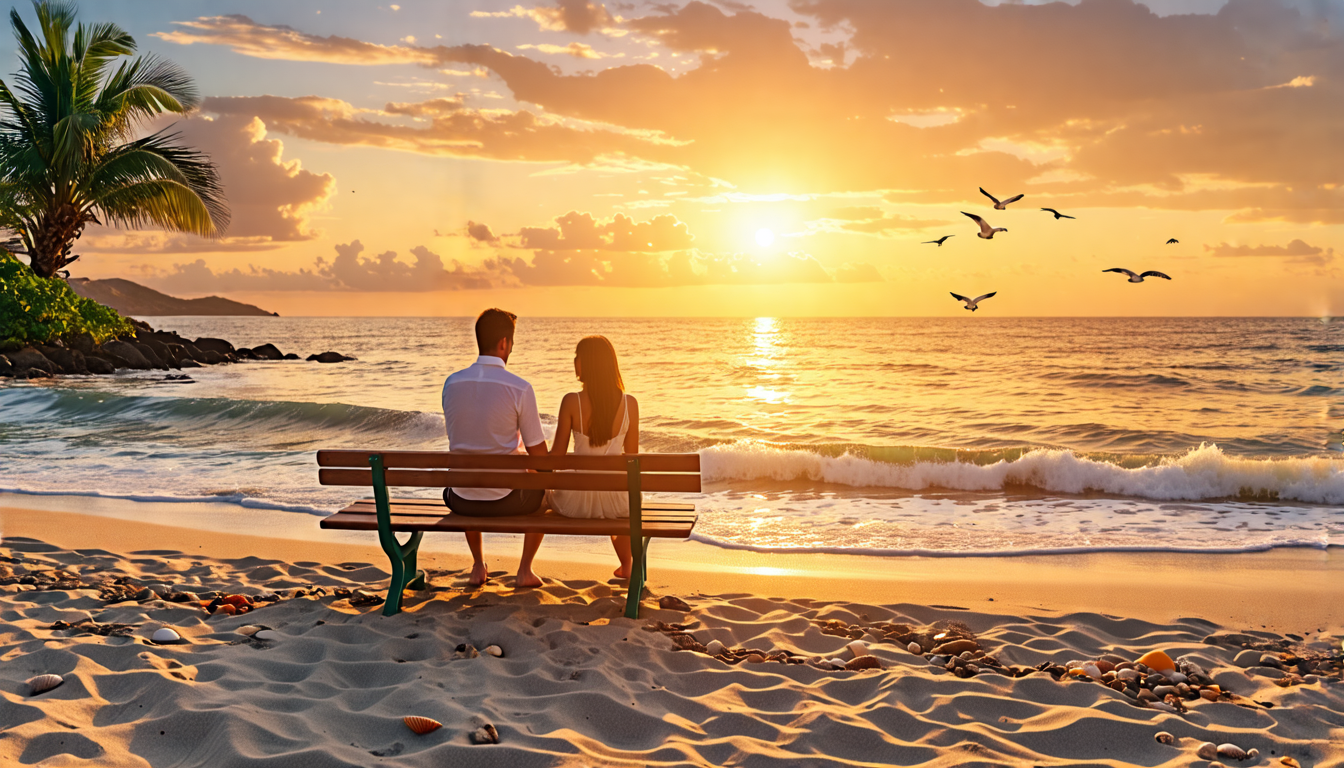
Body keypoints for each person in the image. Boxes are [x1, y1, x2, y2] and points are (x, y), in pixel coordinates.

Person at [441, 308, 547, 587]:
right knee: (545, 488)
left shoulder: (451, 384)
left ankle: (478, 564)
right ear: (503, 343)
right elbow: (541, 460)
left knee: (467, 476)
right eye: (511, 342)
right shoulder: (519, 388)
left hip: (460, 500)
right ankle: (524, 569)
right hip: (507, 501)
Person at [549, 335, 641, 579]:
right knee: (620, 495)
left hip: (576, 503)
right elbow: (632, 459)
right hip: (619, 506)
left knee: (543, 496)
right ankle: (628, 565)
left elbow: (556, 458)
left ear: (587, 363)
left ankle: (525, 566)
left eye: (577, 357)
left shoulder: (571, 402)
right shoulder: (630, 404)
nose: (574, 362)